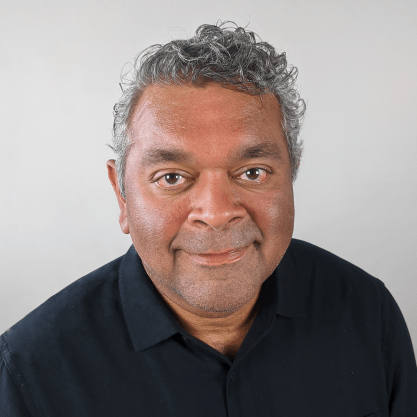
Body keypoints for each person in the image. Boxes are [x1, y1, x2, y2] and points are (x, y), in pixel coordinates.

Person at [1, 22, 416, 417]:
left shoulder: (368, 313)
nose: (216, 214)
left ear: (292, 173)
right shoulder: (28, 373)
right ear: (121, 194)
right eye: (172, 177)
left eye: (252, 172)